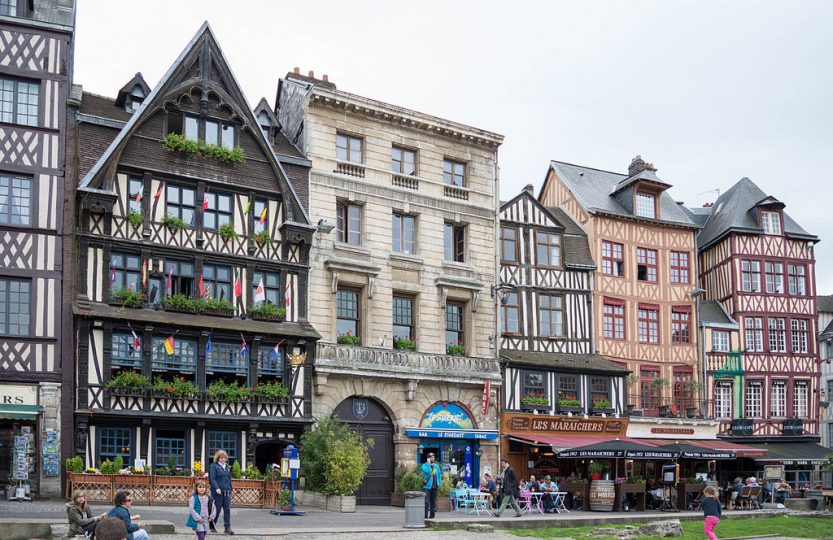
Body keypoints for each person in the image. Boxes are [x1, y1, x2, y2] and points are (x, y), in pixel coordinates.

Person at [209, 450, 234, 535]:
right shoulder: (213, 466)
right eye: (221, 458)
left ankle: (227, 528)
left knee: (227, 510)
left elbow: (229, 479)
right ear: (218, 458)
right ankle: (212, 526)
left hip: (226, 491)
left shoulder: (226, 467)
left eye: (224, 458)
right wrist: (216, 488)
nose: (223, 459)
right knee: (217, 509)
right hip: (217, 492)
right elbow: (212, 479)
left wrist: (231, 489)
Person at [420, 452, 442, 519]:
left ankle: (432, 516)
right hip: (427, 487)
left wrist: (439, 483)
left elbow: (439, 475)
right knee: (426, 502)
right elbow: (427, 471)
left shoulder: (436, 466)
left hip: (435, 486)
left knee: (433, 502)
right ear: (428, 458)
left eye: (433, 457)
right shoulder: (424, 466)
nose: (433, 458)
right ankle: (425, 516)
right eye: (431, 457)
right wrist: (429, 464)